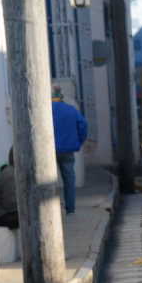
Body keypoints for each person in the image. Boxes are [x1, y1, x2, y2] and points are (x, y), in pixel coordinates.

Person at [51, 86, 88, 214]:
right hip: (67, 150)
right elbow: (83, 126)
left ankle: (50, 209)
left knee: (48, 181)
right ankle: (70, 208)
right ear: (61, 97)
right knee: (69, 180)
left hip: (48, 151)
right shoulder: (71, 110)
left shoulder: (45, 110)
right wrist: (78, 142)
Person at [0, 148, 18, 229]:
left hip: (2, 215)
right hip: (3, 215)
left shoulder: (11, 172)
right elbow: (12, 205)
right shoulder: (12, 174)